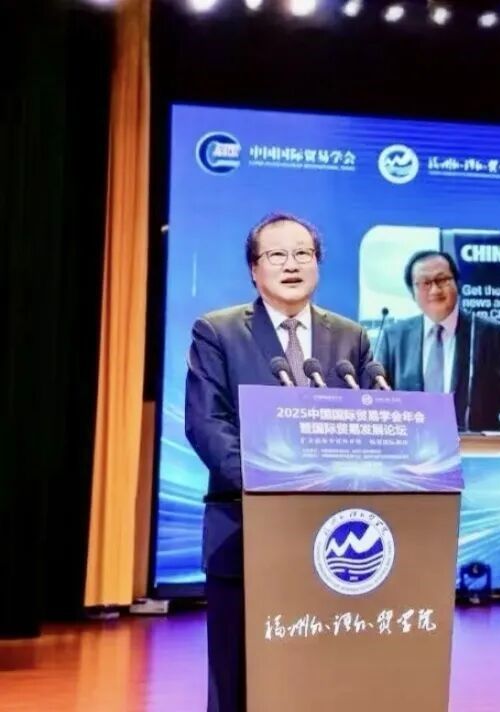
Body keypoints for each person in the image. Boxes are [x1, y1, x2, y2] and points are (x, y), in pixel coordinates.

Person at [184, 213, 378, 712]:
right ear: (255, 269)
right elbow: (207, 425)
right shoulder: (218, 332)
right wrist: (272, 487)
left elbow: (370, 422)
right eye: (277, 255)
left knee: (323, 677)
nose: (291, 265)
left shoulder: (350, 337)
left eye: (303, 254)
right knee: (238, 680)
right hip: (245, 528)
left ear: (318, 264)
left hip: (333, 539)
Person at [376, 250, 500, 433]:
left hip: (474, 447)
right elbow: (378, 392)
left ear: (457, 284)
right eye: (425, 283)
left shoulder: (489, 334)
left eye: (442, 280)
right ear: (412, 292)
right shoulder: (394, 337)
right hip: (410, 446)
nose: (435, 290)